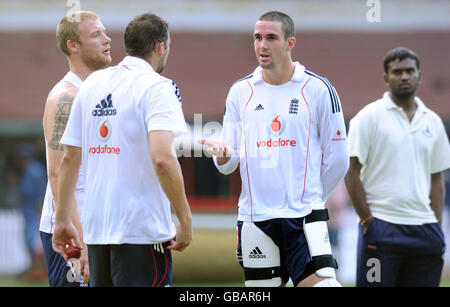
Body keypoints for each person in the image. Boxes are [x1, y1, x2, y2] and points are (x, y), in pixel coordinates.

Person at [200, 11, 349, 287]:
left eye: (271, 38)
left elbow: (339, 161)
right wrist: (223, 157)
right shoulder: (240, 92)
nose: (262, 46)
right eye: (257, 38)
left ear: (290, 43)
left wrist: (312, 197)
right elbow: (229, 161)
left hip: (304, 218)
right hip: (256, 221)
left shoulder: (317, 89)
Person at [52, 13, 193, 287]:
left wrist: (62, 220)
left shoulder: (91, 84)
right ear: (160, 47)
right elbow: (163, 159)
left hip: (97, 233)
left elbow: (69, 158)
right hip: (141, 233)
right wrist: (185, 220)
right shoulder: (159, 87)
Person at [345, 47, 450, 287]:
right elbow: (351, 172)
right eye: (397, 71)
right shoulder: (368, 117)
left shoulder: (432, 121)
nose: (404, 76)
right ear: (386, 78)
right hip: (382, 227)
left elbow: (436, 178)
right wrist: (368, 221)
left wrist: (436, 226)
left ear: (419, 75)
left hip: (424, 231)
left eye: (410, 71)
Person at [40, 11, 111, 287]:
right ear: (73, 45)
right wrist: (81, 243)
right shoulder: (65, 98)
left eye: (105, 33)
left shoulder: (99, 91)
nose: (107, 40)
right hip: (70, 232)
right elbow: (58, 176)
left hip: (99, 226)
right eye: (96, 35)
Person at [16, 142, 47, 278]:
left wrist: (41, 212)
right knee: (30, 240)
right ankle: (34, 269)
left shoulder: (35, 171)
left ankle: (38, 271)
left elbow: (41, 194)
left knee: (35, 242)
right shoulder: (29, 170)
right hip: (28, 211)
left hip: (35, 211)